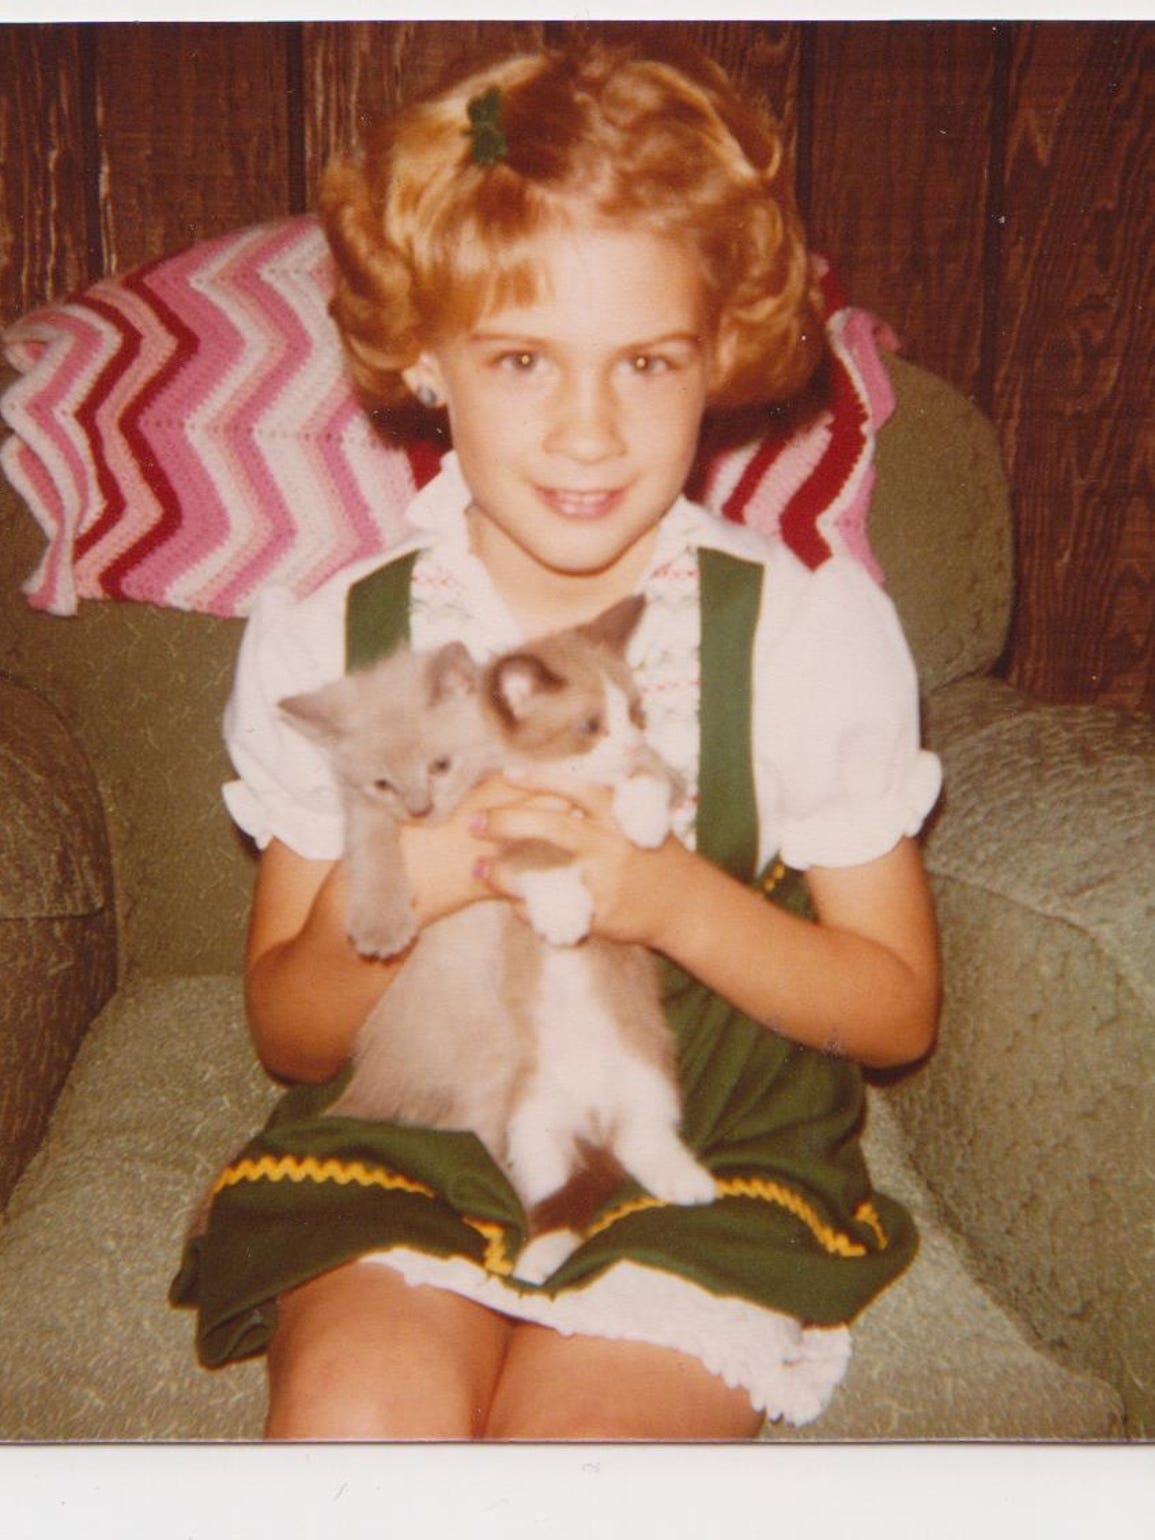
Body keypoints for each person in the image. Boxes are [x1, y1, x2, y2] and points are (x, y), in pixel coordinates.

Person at [172, 32, 942, 1441]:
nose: (589, 430)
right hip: (409, 1142)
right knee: (356, 1426)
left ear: (716, 355)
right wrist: (427, 866)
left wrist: (667, 897)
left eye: (645, 362)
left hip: (696, 1157)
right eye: (523, 358)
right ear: (424, 352)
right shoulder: (333, 639)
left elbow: (893, 1011)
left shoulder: (805, 636)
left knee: (579, 1473)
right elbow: (291, 1031)